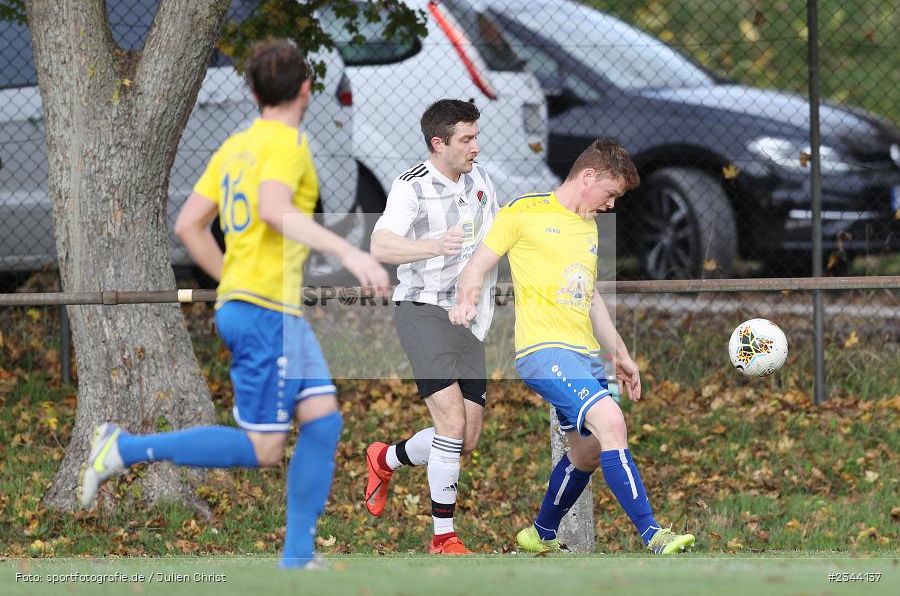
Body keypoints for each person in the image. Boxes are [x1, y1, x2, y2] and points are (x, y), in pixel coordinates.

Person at [76, 41, 389, 569]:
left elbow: (188, 226)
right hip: (266, 313)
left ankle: (298, 557)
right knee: (263, 449)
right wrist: (347, 252)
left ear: (251, 91)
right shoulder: (288, 142)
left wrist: (232, 281)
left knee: (323, 420)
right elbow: (272, 209)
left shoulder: (236, 145)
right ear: (307, 90)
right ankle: (121, 449)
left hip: (268, 310)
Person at [449, 138, 695, 555]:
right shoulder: (524, 212)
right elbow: (476, 266)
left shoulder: (587, 226)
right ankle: (655, 535)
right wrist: (467, 299)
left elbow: (591, 296)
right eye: (611, 194)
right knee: (612, 423)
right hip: (544, 352)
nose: (612, 205)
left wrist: (620, 353)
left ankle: (540, 533)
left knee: (588, 452)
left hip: (585, 357)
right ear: (588, 177)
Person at [364, 99, 499, 555]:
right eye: (467, 139)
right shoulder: (412, 187)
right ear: (438, 144)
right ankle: (444, 538)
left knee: (467, 437)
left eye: (476, 137)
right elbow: (381, 244)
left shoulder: (480, 179)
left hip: (468, 316)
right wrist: (432, 245)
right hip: (422, 310)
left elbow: (499, 237)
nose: (475, 147)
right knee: (451, 422)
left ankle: (385, 458)